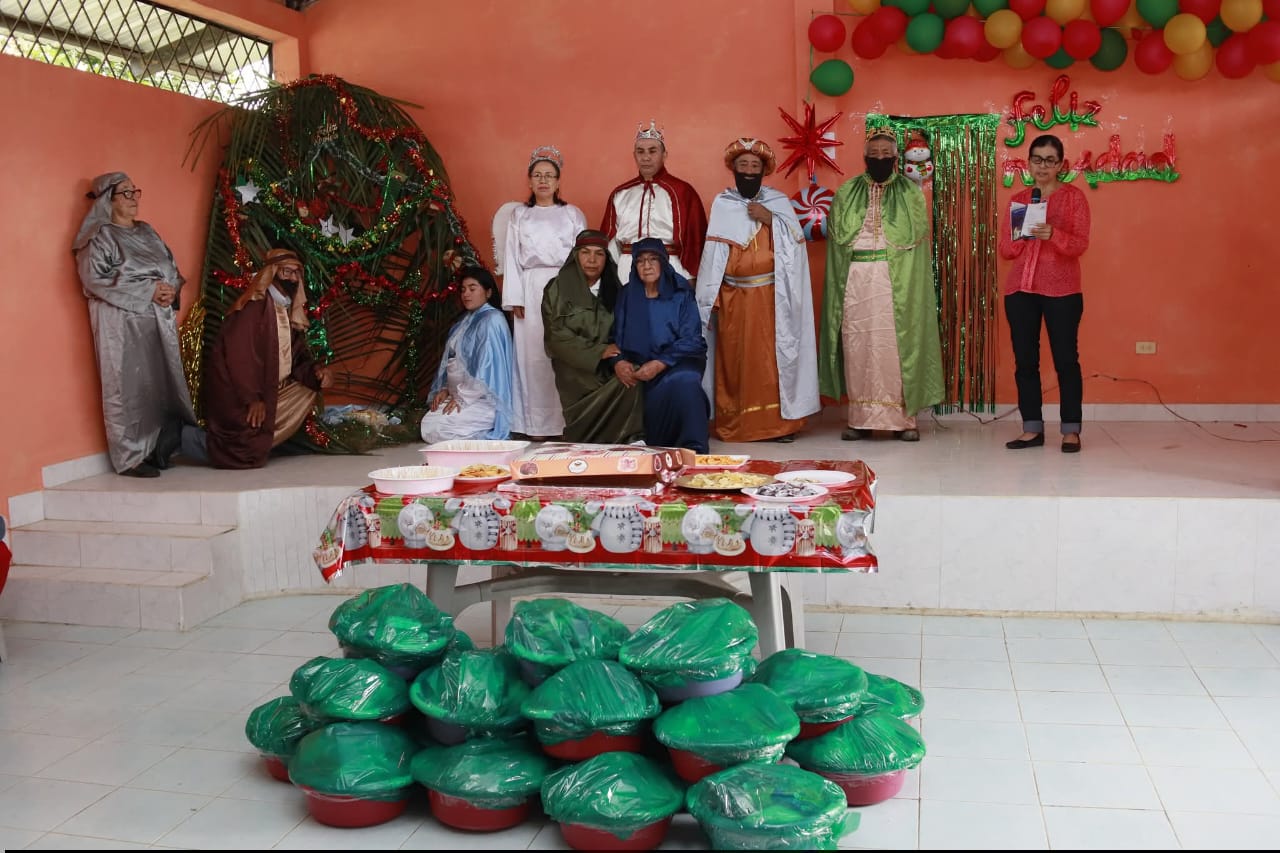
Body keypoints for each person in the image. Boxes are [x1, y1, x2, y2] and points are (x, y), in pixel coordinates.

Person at [820, 127, 944, 442]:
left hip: (895, 280)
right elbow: (838, 242)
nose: (879, 158)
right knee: (857, 347)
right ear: (865, 157)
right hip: (856, 281)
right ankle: (859, 420)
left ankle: (905, 421)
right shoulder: (847, 192)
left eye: (886, 154)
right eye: (873, 154)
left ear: (896, 157)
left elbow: (914, 245)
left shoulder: (909, 193)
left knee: (897, 347)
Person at [695, 137, 819, 444]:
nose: (749, 171)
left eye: (755, 166)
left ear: (764, 170)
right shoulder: (723, 204)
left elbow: (795, 250)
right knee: (736, 361)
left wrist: (770, 220)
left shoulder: (778, 203)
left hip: (772, 298)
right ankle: (738, 423)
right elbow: (713, 257)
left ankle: (779, 425)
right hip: (733, 298)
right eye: (743, 165)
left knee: (772, 358)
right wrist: (710, 297)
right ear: (734, 169)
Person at [72, 172, 196, 478]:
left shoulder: (147, 231)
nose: (133, 198)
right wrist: (148, 290)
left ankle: (158, 447)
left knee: (160, 382)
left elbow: (169, 266)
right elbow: (93, 279)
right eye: (125, 193)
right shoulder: (99, 237)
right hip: (121, 324)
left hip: (158, 319)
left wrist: (170, 289)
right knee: (126, 385)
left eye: (135, 191)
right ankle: (129, 457)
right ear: (107, 200)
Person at [998, 133, 1091, 453]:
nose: (1043, 166)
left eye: (1050, 160)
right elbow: (1006, 250)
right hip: (1020, 290)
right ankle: (1032, 428)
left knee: (1066, 361)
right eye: (1037, 159)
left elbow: (1080, 244)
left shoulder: (1074, 198)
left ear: (1061, 164)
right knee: (1025, 362)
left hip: (1062, 291)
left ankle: (1071, 430)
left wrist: (1054, 234)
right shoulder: (1020, 200)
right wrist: (1022, 236)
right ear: (1029, 163)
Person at [202, 248, 333, 469]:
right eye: (287, 272)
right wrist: (252, 398)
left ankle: (261, 440)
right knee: (242, 448)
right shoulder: (253, 307)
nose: (293, 279)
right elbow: (239, 359)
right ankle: (190, 440)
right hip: (241, 394)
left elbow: (296, 357)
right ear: (272, 272)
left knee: (309, 388)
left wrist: (317, 372)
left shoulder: (285, 308)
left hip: (269, 391)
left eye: (296, 273)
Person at [496, 145, 586, 440]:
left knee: (563, 353)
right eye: (538, 175)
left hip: (564, 285)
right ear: (530, 181)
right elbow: (512, 255)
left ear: (558, 182)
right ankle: (534, 425)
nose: (543, 180)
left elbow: (582, 256)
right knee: (532, 355)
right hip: (530, 286)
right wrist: (515, 297)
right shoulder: (520, 215)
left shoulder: (572, 214)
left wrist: (579, 296)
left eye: (549, 175)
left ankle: (565, 422)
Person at [541, 229, 645, 444]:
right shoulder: (556, 289)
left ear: (607, 259)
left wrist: (618, 360)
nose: (592, 260)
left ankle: (629, 439)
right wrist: (599, 351)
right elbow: (555, 335)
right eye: (585, 252)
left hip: (610, 365)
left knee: (632, 374)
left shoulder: (617, 290)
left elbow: (627, 333)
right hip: (575, 369)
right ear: (575, 256)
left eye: (599, 254)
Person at [608, 238, 710, 454]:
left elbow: (692, 339)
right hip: (639, 362)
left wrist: (660, 363)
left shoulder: (681, 292)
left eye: (653, 259)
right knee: (622, 385)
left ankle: (693, 447)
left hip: (678, 360)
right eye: (641, 261)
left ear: (663, 262)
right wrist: (619, 361)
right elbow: (615, 335)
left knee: (684, 380)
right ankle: (654, 439)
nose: (647, 266)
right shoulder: (627, 294)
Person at [600, 120, 708, 282]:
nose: (646, 157)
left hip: (671, 266)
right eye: (640, 152)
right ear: (634, 155)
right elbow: (609, 240)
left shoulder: (683, 191)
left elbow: (696, 240)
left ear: (664, 155)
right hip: (627, 268)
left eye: (652, 151)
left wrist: (691, 277)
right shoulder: (620, 193)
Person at [419, 266, 515, 443]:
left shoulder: (492, 319)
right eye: (463, 290)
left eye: (472, 288)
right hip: (458, 396)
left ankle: (483, 437)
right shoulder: (464, 321)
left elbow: (486, 370)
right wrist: (445, 389)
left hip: (482, 399)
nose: (466, 294)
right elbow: (453, 360)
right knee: (428, 425)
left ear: (488, 292)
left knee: (440, 428)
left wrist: (463, 398)